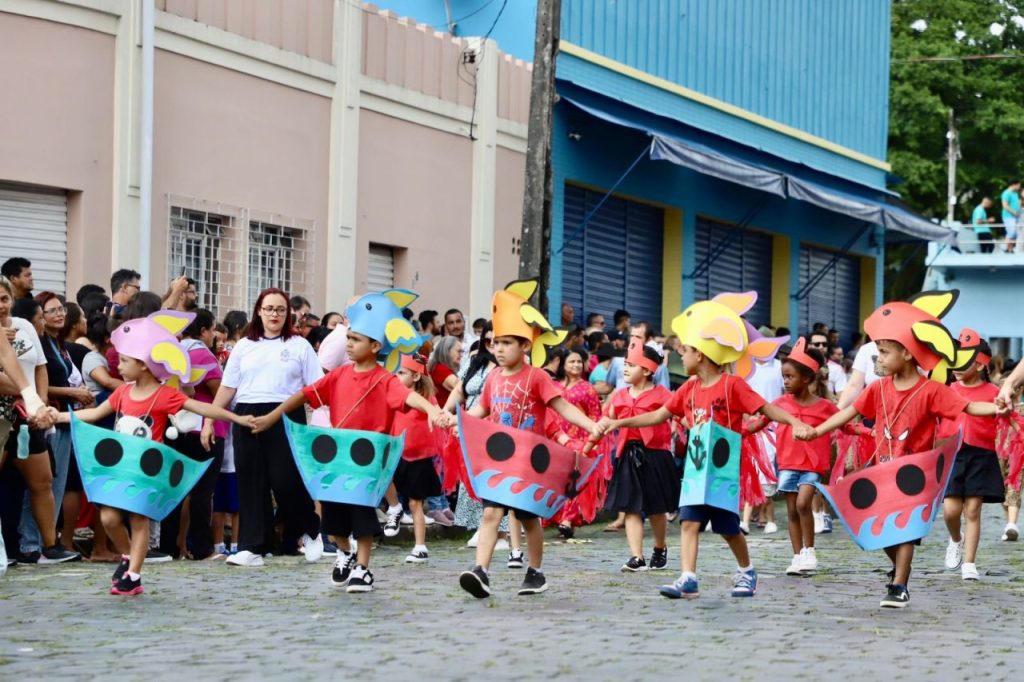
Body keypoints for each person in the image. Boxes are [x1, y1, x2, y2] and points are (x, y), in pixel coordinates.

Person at [796, 295, 1000, 608]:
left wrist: (998, 406)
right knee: (885, 535)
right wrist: (816, 431)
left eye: (884, 352)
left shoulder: (932, 390)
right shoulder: (877, 388)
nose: (877, 358)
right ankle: (898, 568)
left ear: (906, 353)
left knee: (904, 530)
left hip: (915, 475)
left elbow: (968, 406)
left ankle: (900, 585)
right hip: (883, 472)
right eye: (877, 352)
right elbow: (847, 413)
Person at [598, 291, 805, 600]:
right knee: (689, 521)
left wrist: (795, 422)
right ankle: (688, 577)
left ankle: (747, 570)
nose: (681, 355)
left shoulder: (732, 385)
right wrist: (620, 423)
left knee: (728, 527)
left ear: (703, 355)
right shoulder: (688, 388)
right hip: (696, 466)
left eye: (687, 350)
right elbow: (658, 415)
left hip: (722, 468)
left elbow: (765, 408)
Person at [251, 293, 445, 592]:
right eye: (349, 338)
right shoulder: (338, 375)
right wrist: (273, 416)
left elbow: (409, 397)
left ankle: (363, 570)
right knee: (333, 523)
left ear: (376, 346)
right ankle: (344, 552)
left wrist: (432, 409)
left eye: (356, 339)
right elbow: (305, 394)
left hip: (366, 463)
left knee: (362, 517)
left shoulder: (385, 380)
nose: (349, 343)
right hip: (338, 459)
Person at [54, 320, 254, 595]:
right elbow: (94, 414)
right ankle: (128, 558)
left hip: (147, 473)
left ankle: (133, 575)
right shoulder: (122, 392)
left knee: (138, 521)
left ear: (144, 365)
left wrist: (237, 418)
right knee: (110, 519)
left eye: (124, 361)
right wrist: (60, 416)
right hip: (120, 468)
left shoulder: (165, 395)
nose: (119, 366)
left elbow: (204, 408)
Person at [456, 280, 601, 599]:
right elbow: (482, 408)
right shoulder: (493, 377)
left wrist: (590, 425)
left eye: (507, 342)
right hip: (498, 459)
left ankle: (535, 571)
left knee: (527, 517)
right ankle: (481, 571)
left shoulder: (537, 377)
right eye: (496, 343)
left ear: (524, 346)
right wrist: (460, 422)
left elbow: (561, 407)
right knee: (491, 513)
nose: (498, 348)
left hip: (527, 461)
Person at [204, 289, 324, 567]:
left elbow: (314, 388)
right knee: (251, 481)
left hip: (285, 414)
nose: (274, 315)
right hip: (247, 413)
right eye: (269, 309)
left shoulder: (299, 345)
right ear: (259, 311)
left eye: (280, 310)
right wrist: (211, 419)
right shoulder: (244, 346)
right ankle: (252, 546)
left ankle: (312, 529)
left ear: (288, 314)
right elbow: (228, 388)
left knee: (286, 480)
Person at [0, 285, 79, 563]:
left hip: (29, 416)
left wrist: (40, 403)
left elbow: (40, 367)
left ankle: (49, 544)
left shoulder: (23, 325)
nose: (1, 305)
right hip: (5, 413)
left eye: (5, 299)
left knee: (43, 480)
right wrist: (27, 395)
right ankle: (8, 548)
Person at [749, 339, 835, 575]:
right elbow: (758, 423)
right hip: (787, 462)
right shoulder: (778, 404)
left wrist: (869, 431)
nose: (785, 381)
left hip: (813, 464)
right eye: (783, 376)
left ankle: (810, 551)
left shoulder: (825, 407)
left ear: (806, 379)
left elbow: (845, 423)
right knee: (792, 510)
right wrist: (734, 427)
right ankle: (797, 556)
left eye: (790, 377)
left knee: (803, 503)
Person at [24, 293, 91, 561]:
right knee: (43, 482)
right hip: (49, 418)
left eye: (61, 309)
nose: (59, 314)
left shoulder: (59, 344)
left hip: (65, 418)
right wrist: (71, 393)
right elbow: (35, 382)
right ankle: (32, 542)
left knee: (58, 483)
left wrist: (79, 394)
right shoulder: (37, 343)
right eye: (50, 311)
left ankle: (46, 541)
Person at [159, 309, 227, 560]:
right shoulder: (201, 353)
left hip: (175, 427)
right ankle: (202, 548)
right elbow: (220, 392)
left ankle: (168, 546)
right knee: (202, 491)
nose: (213, 336)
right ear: (203, 331)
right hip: (204, 428)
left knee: (174, 489)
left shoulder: (170, 351)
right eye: (211, 330)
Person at [603, 341, 675, 571]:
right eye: (624, 364)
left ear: (646, 370)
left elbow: (678, 418)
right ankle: (637, 556)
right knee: (631, 506)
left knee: (656, 507)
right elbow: (606, 420)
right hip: (627, 454)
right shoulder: (619, 395)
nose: (624, 369)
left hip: (655, 455)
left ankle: (660, 546)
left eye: (630, 365)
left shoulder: (663, 395)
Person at [938, 332, 1005, 580]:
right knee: (950, 511)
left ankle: (969, 563)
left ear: (979, 364)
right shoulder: (947, 389)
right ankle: (956, 539)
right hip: (952, 452)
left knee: (973, 509)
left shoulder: (992, 391)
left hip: (981, 453)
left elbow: (1004, 418)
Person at [549, 346, 608, 537]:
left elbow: (595, 415)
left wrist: (593, 439)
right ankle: (563, 519)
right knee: (559, 480)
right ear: (563, 365)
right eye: (571, 361)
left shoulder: (587, 388)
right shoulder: (554, 386)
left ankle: (567, 520)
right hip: (557, 438)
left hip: (580, 440)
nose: (576, 364)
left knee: (576, 481)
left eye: (578, 361)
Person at [392, 353, 443, 563]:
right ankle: (394, 509)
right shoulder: (396, 396)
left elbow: (438, 413)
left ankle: (420, 546)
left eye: (402, 372)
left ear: (415, 377)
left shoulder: (427, 399)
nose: (396, 375)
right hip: (397, 453)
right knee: (384, 482)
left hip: (419, 458)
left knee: (415, 504)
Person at [428, 336, 462, 411]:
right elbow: (461, 388)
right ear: (448, 351)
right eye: (458, 351)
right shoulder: (440, 369)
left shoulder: (439, 367)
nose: (461, 355)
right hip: (443, 414)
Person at [1000, 180, 1021, 253]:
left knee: (1015, 233)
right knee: (1011, 232)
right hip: (1008, 216)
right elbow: (1005, 205)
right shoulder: (1006, 193)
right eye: (1019, 185)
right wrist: (1014, 212)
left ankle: (1010, 249)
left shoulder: (1015, 193)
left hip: (1016, 217)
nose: (1019, 187)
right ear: (1014, 184)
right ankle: (1006, 247)